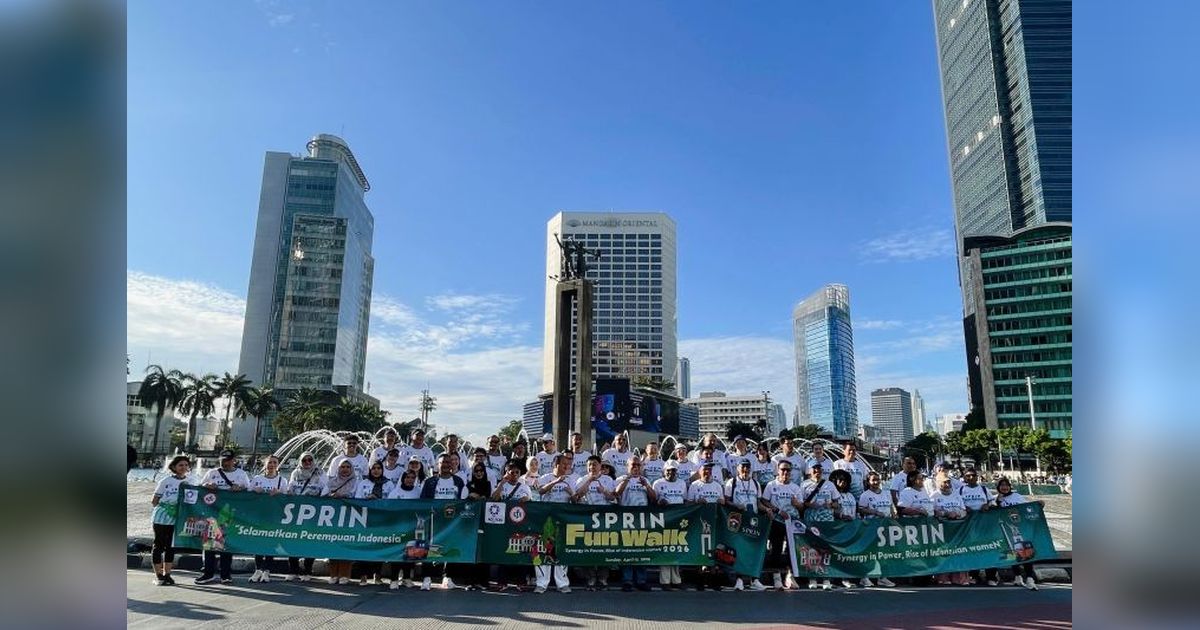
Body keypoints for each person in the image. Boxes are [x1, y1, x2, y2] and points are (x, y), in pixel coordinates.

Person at [195, 449, 250, 584]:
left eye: (228, 460)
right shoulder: (212, 473)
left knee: (226, 543)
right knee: (209, 543)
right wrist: (206, 485)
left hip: (230, 513)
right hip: (212, 512)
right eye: (222, 460)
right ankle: (208, 573)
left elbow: (249, 491)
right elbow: (200, 487)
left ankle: (225, 574)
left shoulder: (241, 474)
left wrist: (240, 488)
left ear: (233, 460)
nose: (225, 462)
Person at [420, 454, 468, 590]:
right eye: (443, 462)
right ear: (437, 465)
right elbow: (423, 501)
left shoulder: (458, 481)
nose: (446, 465)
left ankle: (447, 577)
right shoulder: (430, 482)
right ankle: (426, 578)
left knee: (450, 547)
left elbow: (462, 500)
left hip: (452, 521)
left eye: (448, 462)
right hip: (434, 520)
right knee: (429, 548)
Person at [614, 456, 657, 591]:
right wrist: (627, 480)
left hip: (642, 518)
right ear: (628, 466)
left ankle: (641, 580)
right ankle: (627, 580)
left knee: (641, 550)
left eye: (638, 465)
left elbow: (654, 498)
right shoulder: (621, 479)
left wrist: (646, 486)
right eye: (633, 465)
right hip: (626, 517)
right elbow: (616, 494)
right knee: (627, 550)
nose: (636, 468)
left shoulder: (645, 480)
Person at [760, 459, 804, 590]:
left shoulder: (795, 487)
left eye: (788, 470)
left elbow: (801, 507)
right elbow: (764, 501)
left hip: (792, 523)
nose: (785, 472)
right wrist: (778, 510)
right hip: (777, 521)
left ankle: (790, 576)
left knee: (792, 550)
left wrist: (797, 504)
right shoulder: (771, 485)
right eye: (783, 470)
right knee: (776, 549)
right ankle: (776, 576)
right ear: (778, 471)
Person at [534, 453, 575, 593]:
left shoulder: (571, 479)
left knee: (561, 551)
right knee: (544, 550)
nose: (566, 466)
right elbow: (540, 491)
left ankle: (562, 583)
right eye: (563, 463)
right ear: (556, 464)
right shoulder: (545, 478)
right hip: (547, 519)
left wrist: (570, 491)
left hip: (563, 519)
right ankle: (541, 583)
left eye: (568, 463)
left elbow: (576, 499)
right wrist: (556, 482)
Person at [725, 459, 768, 591]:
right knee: (739, 549)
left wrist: (767, 510)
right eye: (743, 467)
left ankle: (754, 579)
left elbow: (759, 502)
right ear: (737, 468)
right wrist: (736, 506)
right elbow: (726, 501)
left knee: (752, 549)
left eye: (748, 467)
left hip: (753, 519)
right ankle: (739, 580)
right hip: (738, 519)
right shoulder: (731, 483)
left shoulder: (755, 483)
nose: (745, 469)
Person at [574, 455, 616, 589]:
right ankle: (591, 577)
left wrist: (603, 490)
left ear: (600, 466)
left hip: (605, 519)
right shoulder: (581, 479)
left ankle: (603, 577)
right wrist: (589, 481)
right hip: (587, 519)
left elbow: (613, 498)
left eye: (595, 464)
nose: (592, 467)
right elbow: (577, 496)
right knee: (589, 548)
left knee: (605, 548)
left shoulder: (608, 480)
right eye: (590, 465)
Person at [150, 455, 190, 586]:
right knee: (158, 545)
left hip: (177, 519)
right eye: (180, 465)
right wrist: (167, 508)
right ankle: (158, 575)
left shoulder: (190, 482)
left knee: (171, 547)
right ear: (173, 467)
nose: (183, 468)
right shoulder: (165, 481)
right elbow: (154, 501)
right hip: (162, 517)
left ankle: (168, 574)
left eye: (185, 465)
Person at [994, 477, 1040, 591]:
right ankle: (1017, 576)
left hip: (1022, 529)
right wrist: (998, 501)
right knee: (1013, 552)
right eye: (1001, 485)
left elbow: (1027, 508)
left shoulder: (1018, 496)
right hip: (1007, 531)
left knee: (1027, 552)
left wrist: (1039, 505)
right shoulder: (996, 499)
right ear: (998, 487)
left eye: (1006, 485)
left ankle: (1030, 578)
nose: (1004, 487)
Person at [249, 455, 289, 583]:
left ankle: (267, 571)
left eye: (274, 463)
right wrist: (255, 490)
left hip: (274, 516)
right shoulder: (257, 479)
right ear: (265, 465)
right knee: (258, 542)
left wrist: (279, 493)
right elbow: (247, 494)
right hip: (259, 515)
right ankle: (258, 569)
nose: (272, 465)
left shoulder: (282, 480)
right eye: (269, 462)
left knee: (271, 543)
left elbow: (287, 498)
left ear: (278, 465)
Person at [285, 452, 324, 581]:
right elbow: (290, 487)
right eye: (304, 460)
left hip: (313, 513)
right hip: (296, 513)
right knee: (293, 540)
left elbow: (325, 490)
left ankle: (308, 571)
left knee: (310, 540)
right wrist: (289, 492)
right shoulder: (295, 473)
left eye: (309, 460)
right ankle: (293, 570)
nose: (307, 463)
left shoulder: (320, 474)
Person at [800, 463, 840, 589]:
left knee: (825, 547)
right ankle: (812, 577)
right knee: (811, 547)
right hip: (811, 519)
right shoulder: (804, 484)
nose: (817, 472)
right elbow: (801, 503)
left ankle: (826, 577)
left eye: (819, 470)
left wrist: (831, 505)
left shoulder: (830, 484)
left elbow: (837, 503)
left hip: (826, 519)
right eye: (815, 470)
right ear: (810, 471)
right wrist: (810, 505)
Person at [687, 461, 726, 590]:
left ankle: (714, 579)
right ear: (699, 471)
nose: (707, 472)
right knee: (700, 549)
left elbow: (723, 502)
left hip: (715, 522)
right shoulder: (694, 485)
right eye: (705, 470)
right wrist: (697, 502)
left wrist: (721, 501)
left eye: (709, 470)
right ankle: (700, 579)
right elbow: (688, 503)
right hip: (699, 523)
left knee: (716, 550)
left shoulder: (717, 486)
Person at [652, 460, 688, 590]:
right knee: (665, 548)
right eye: (668, 470)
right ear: (664, 471)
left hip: (678, 519)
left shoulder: (682, 483)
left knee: (677, 548)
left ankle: (676, 580)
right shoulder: (657, 483)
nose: (670, 473)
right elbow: (653, 500)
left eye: (673, 471)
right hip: (664, 519)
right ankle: (665, 580)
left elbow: (685, 500)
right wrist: (660, 501)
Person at [856, 472, 896, 588]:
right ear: (868, 482)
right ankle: (865, 577)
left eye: (877, 480)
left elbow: (891, 508)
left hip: (886, 527)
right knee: (870, 552)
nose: (876, 482)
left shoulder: (886, 493)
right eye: (873, 480)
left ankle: (882, 577)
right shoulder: (865, 495)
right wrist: (875, 512)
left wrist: (893, 516)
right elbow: (861, 510)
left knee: (884, 553)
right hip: (872, 527)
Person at [323, 460, 359, 585]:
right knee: (333, 543)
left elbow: (356, 495)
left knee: (346, 543)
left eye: (348, 467)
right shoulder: (331, 482)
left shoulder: (356, 481)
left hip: (349, 516)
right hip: (332, 517)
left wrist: (343, 496)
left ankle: (345, 574)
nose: (345, 469)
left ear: (351, 469)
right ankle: (333, 574)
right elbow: (323, 494)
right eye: (342, 467)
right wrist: (332, 495)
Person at [386, 469, 423, 590]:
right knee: (397, 553)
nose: (410, 480)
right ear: (403, 478)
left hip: (413, 526)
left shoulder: (418, 492)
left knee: (411, 552)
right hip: (397, 527)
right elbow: (389, 509)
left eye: (413, 477)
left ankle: (407, 578)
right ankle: (394, 579)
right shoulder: (395, 492)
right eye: (408, 477)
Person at [932, 474, 970, 586]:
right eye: (944, 482)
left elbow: (963, 510)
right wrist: (946, 513)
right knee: (944, 553)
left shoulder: (956, 495)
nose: (947, 484)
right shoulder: (933, 496)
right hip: (942, 530)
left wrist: (957, 514)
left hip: (958, 528)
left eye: (948, 482)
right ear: (938, 483)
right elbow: (932, 512)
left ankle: (960, 578)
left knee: (959, 552)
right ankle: (943, 577)